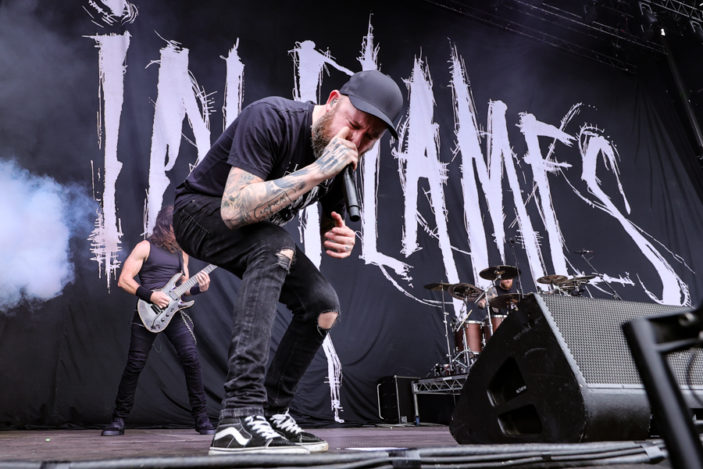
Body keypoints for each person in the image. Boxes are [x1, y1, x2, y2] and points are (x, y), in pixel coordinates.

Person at [172, 70, 403, 454]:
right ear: (333, 101)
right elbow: (234, 209)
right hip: (197, 213)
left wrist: (341, 235)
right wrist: (317, 170)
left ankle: (272, 412)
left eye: (371, 137)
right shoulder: (271, 117)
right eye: (354, 125)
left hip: (256, 233)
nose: (357, 141)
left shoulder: (343, 160)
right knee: (275, 245)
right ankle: (238, 416)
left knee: (322, 305)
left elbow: (334, 220)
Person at [101, 205, 215, 437]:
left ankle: (202, 420)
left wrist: (199, 289)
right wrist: (150, 295)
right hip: (148, 311)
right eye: (178, 225)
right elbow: (124, 280)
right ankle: (118, 420)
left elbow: (183, 288)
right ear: (166, 224)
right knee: (135, 364)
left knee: (191, 360)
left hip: (174, 313)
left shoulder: (182, 252)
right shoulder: (145, 247)